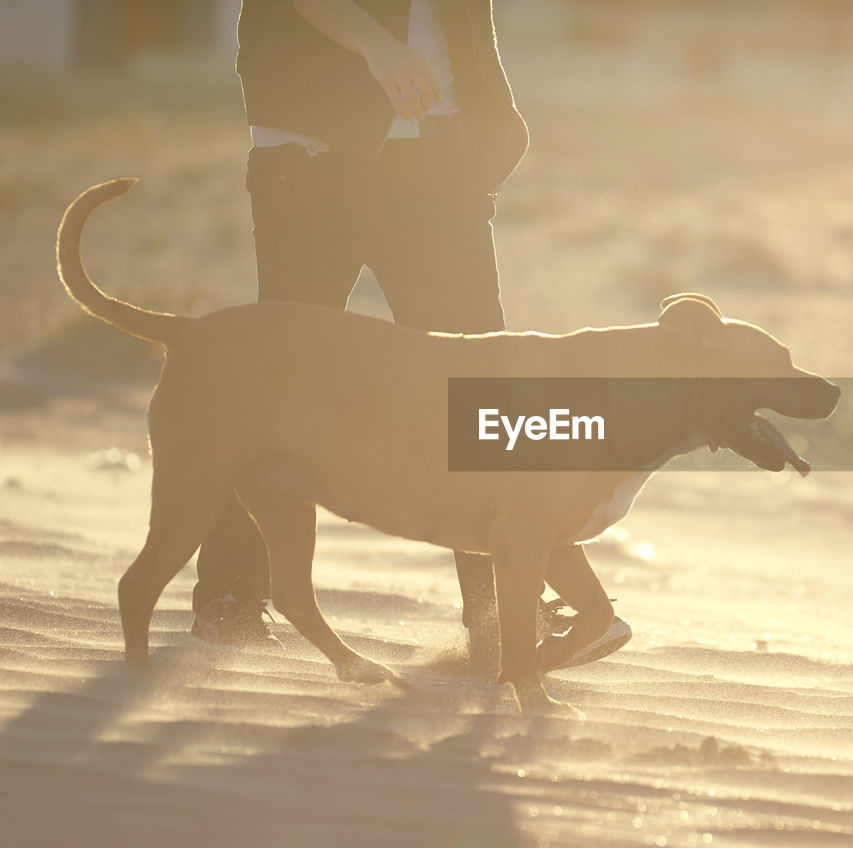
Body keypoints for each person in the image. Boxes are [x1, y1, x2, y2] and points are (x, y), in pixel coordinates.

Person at [193, 0, 630, 672]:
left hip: (438, 158)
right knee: (281, 380)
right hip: (316, 152)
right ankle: (230, 595)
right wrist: (376, 44)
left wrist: (488, 128)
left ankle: (500, 615)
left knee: (484, 390)